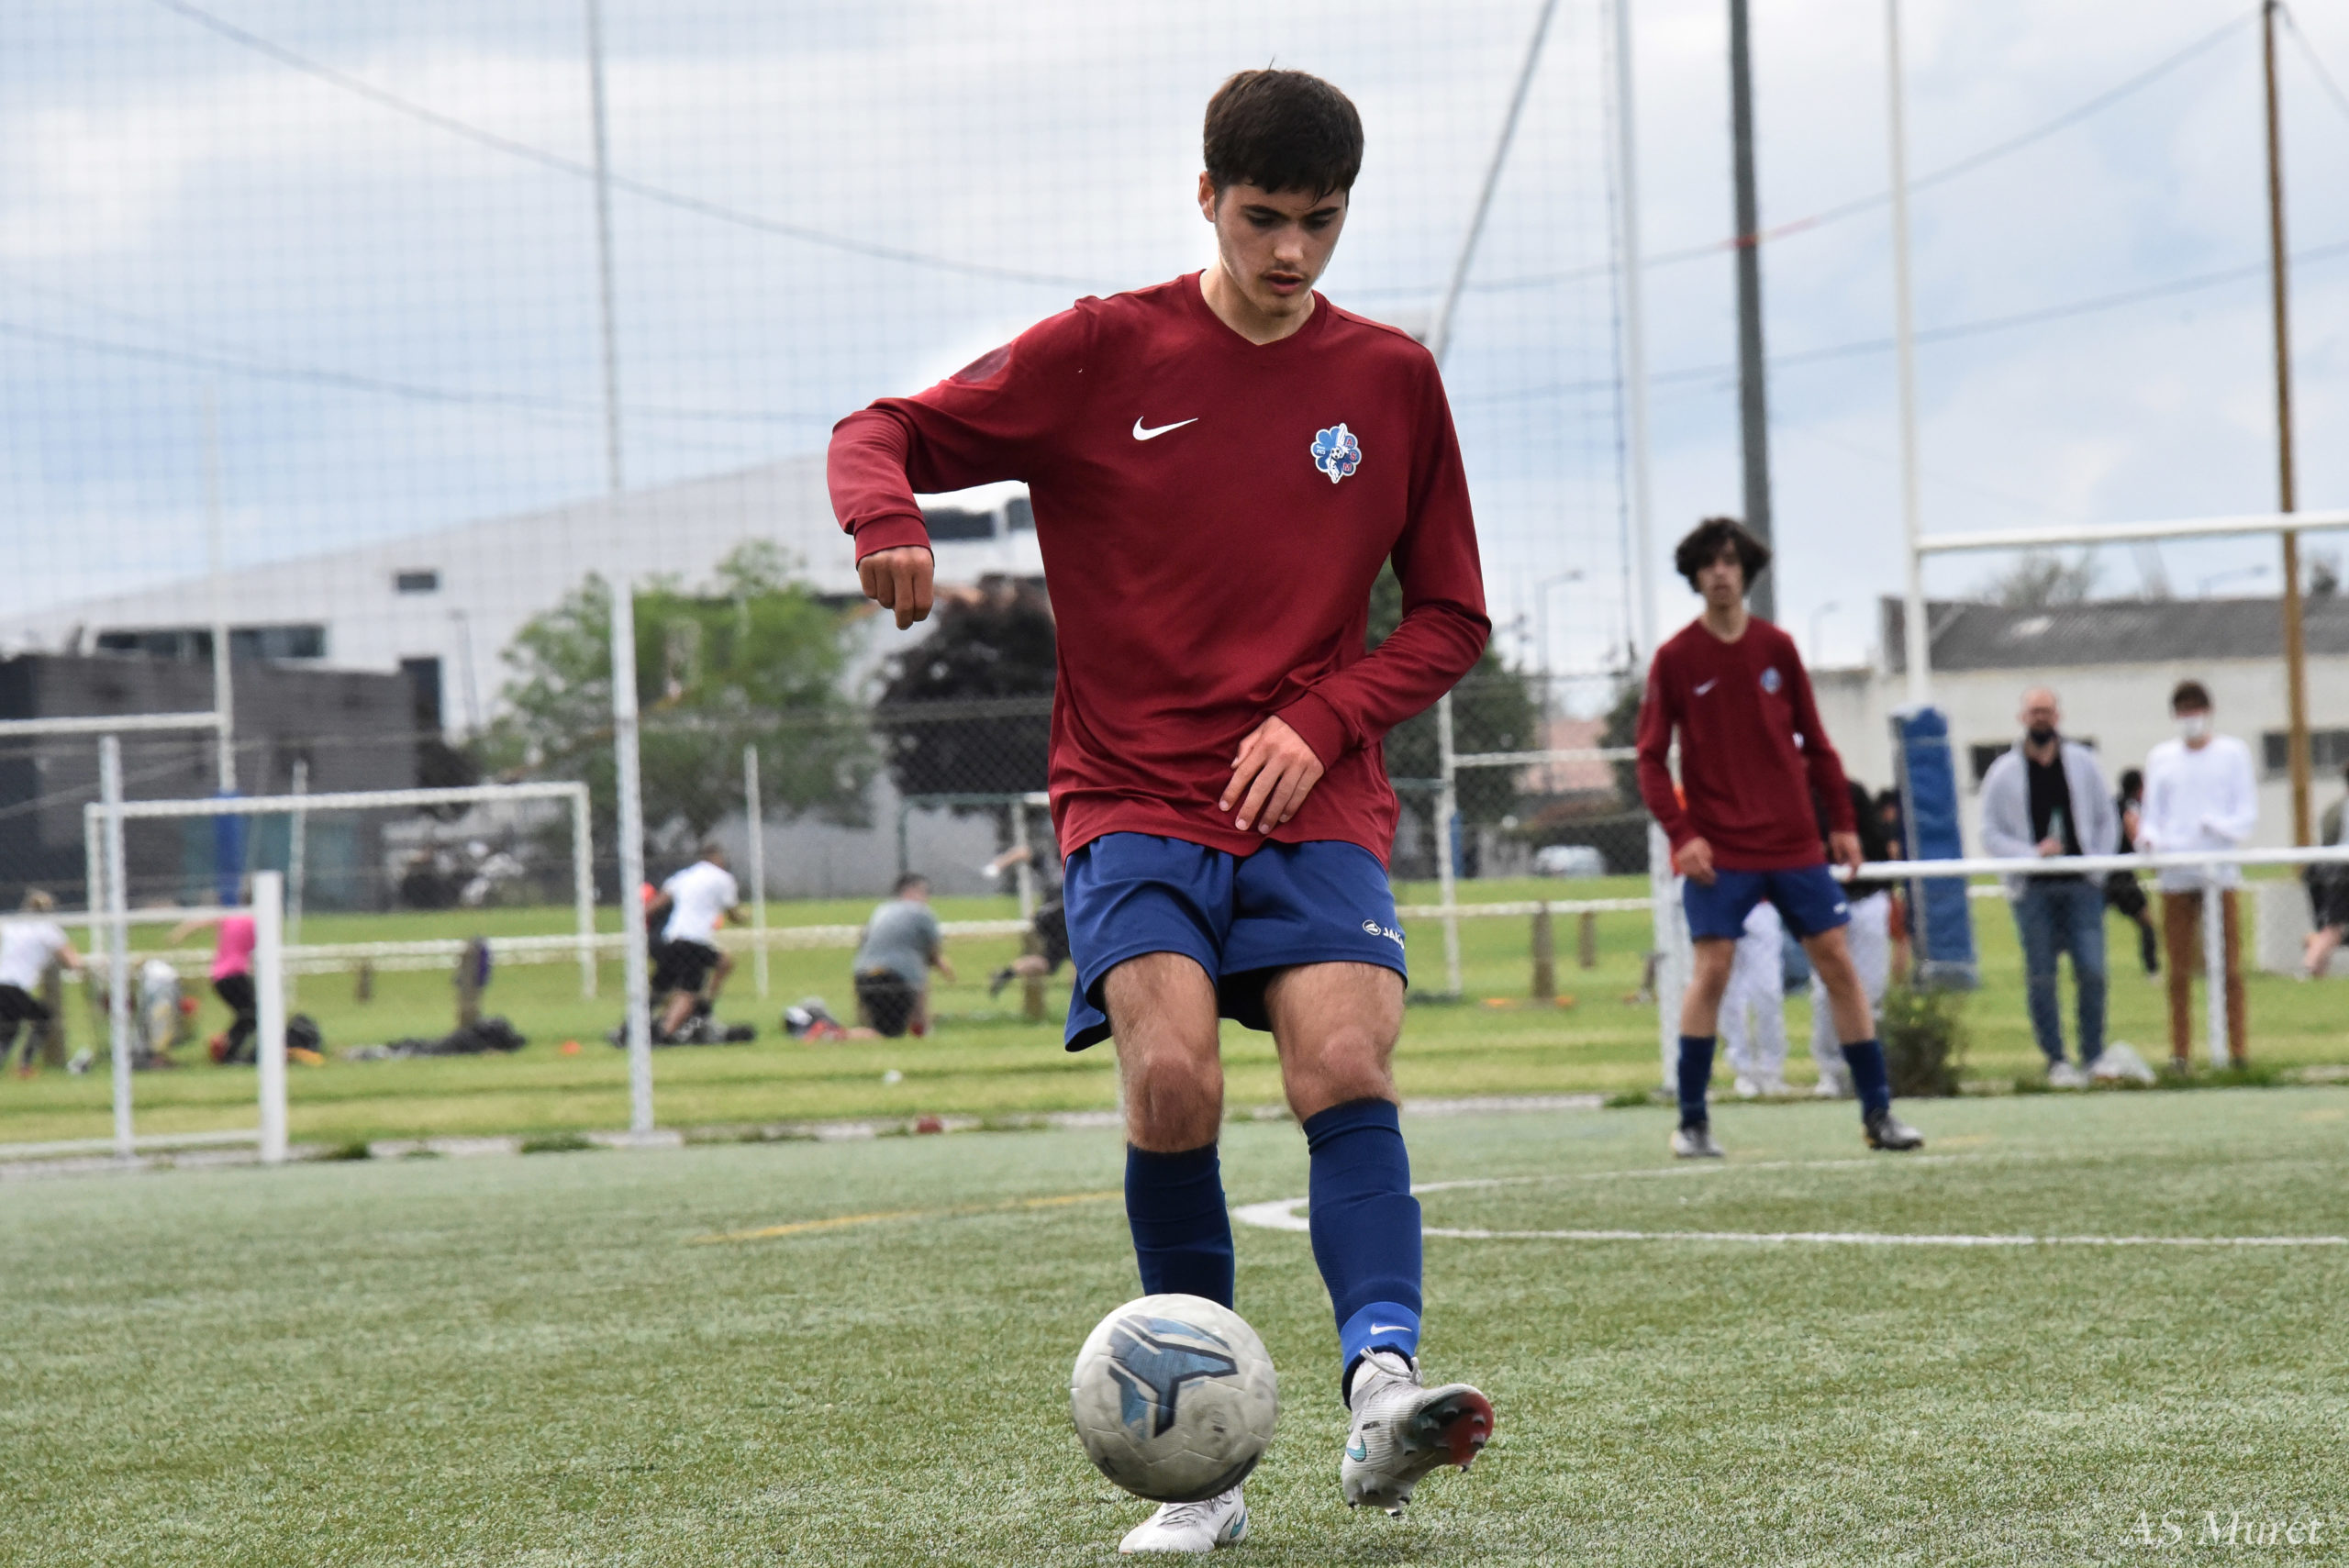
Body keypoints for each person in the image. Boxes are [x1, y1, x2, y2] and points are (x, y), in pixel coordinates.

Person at [829, 69, 1496, 1548]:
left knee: (1344, 1061)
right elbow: (876, 430)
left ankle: (1382, 1390)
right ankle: (1209, 1473)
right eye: (1264, 219)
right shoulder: (1101, 351)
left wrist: (1324, 718)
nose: (1292, 253)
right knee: (1174, 1081)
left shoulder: (1391, 380)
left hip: (1313, 800)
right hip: (1132, 796)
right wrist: (888, 519)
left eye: (1322, 221)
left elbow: (1452, 616)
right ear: (1206, 197)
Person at [1634, 517, 1924, 1159]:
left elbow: (1816, 744)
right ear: (1694, 577)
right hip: (1718, 850)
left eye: (1730, 561)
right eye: (1708, 563)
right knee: (1712, 969)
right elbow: (1650, 759)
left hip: (1794, 843)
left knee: (1838, 962)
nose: (1720, 572)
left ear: (1746, 572)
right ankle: (1692, 1122)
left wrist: (1842, 823)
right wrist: (1682, 834)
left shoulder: (1778, 648)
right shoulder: (1676, 658)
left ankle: (1879, 1113)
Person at [1977, 686, 2120, 1086]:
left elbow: (2106, 818)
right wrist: (2029, 854)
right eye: (2034, 711)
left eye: (2047, 710)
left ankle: (2093, 1055)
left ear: (2058, 716)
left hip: (2082, 886)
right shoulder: (2003, 772)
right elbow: (1989, 832)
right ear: (2022, 718)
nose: (2041, 717)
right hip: (2033, 890)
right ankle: (2057, 1059)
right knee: (2041, 976)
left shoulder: (2084, 764)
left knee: (2092, 970)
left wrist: (2098, 867)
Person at [2139, 680, 2257, 1070]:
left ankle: (2237, 1051)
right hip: (2176, 876)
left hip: (2219, 874)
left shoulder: (2232, 754)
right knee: (2177, 970)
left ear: (2208, 712)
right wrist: (2150, 840)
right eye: (2183, 711)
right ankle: (2180, 1052)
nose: (2190, 718)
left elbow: (2246, 816)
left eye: (2196, 709)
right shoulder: (2161, 758)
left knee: (2229, 967)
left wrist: (2216, 827)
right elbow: (2152, 816)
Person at [1810, 778, 1898, 1100]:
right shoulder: (1795, 798)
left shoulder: (1851, 792)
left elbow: (1877, 846)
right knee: (1825, 991)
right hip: (1824, 900)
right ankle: (1831, 1071)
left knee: (1872, 989)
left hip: (1866, 897)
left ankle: (1872, 1071)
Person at [645, 845, 740, 1042]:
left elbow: (654, 905)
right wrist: (743, 917)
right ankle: (665, 1033)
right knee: (688, 991)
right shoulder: (723, 879)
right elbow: (733, 913)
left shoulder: (684, 876)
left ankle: (634, 1027)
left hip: (671, 938)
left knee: (662, 986)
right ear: (716, 858)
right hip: (694, 941)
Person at [850, 873, 954, 1038]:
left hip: (862, 977)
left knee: (878, 1028)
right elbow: (933, 953)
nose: (927, 897)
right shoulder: (922, 913)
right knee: (887, 1034)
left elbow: (864, 942)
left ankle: (854, 1029)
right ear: (909, 891)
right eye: (924, 891)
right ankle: (922, 1029)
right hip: (894, 980)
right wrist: (944, 968)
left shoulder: (882, 910)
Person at [2, 891, 83, 1076]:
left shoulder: (14, 927)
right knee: (43, 1017)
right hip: (16, 987)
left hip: (2, 983)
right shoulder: (48, 930)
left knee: (9, 1028)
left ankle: (16, 1064)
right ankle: (25, 1065)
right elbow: (73, 962)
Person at [170, 896, 259, 1065]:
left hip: (219, 976)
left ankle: (225, 1044)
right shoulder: (255, 921)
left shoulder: (230, 917)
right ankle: (227, 1049)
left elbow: (200, 921)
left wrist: (179, 933)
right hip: (236, 974)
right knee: (252, 1014)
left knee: (248, 1014)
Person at [983, 844, 1073, 998]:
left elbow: (1022, 852)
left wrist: (997, 865)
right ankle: (1085, 1001)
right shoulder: (1074, 864)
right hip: (1062, 915)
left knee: (1048, 963)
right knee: (1080, 957)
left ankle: (1007, 973)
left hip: (1046, 918)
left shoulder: (1048, 862)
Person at [1720, 900, 1789, 1098]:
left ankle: (1771, 1070)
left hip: (1760, 904)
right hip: (1721, 902)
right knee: (1730, 995)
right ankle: (1743, 1071)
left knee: (1768, 991)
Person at [2106, 767, 2160, 975]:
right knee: (2146, 919)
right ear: (2139, 788)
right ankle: (2152, 970)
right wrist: (2155, 865)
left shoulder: (2112, 804)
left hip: (2099, 872)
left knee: (2084, 923)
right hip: (2120, 875)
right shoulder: (2131, 808)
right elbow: (2136, 837)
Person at [2303, 762, 2349, 979]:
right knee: (2334, 929)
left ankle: (2315, 955)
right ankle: (2310, 966)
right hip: (2342, 877)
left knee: (2333, 929)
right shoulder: (2340, 810)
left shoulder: (2334, 810)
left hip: (2328, 875)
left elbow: (2326, 842)